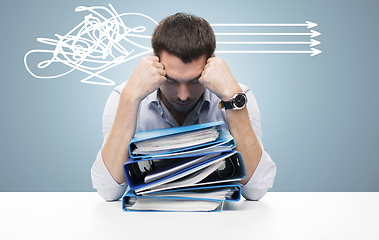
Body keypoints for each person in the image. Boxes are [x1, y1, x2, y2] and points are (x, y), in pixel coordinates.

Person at [91, 13, 276, 201]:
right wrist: (130, 99)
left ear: (211, 64)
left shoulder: (238, 96)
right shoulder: (125, 97)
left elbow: (256, 191)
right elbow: (108, 191)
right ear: (154, 64)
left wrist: (232, 99)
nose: (183, 95)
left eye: (195, 81)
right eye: (170, 81)